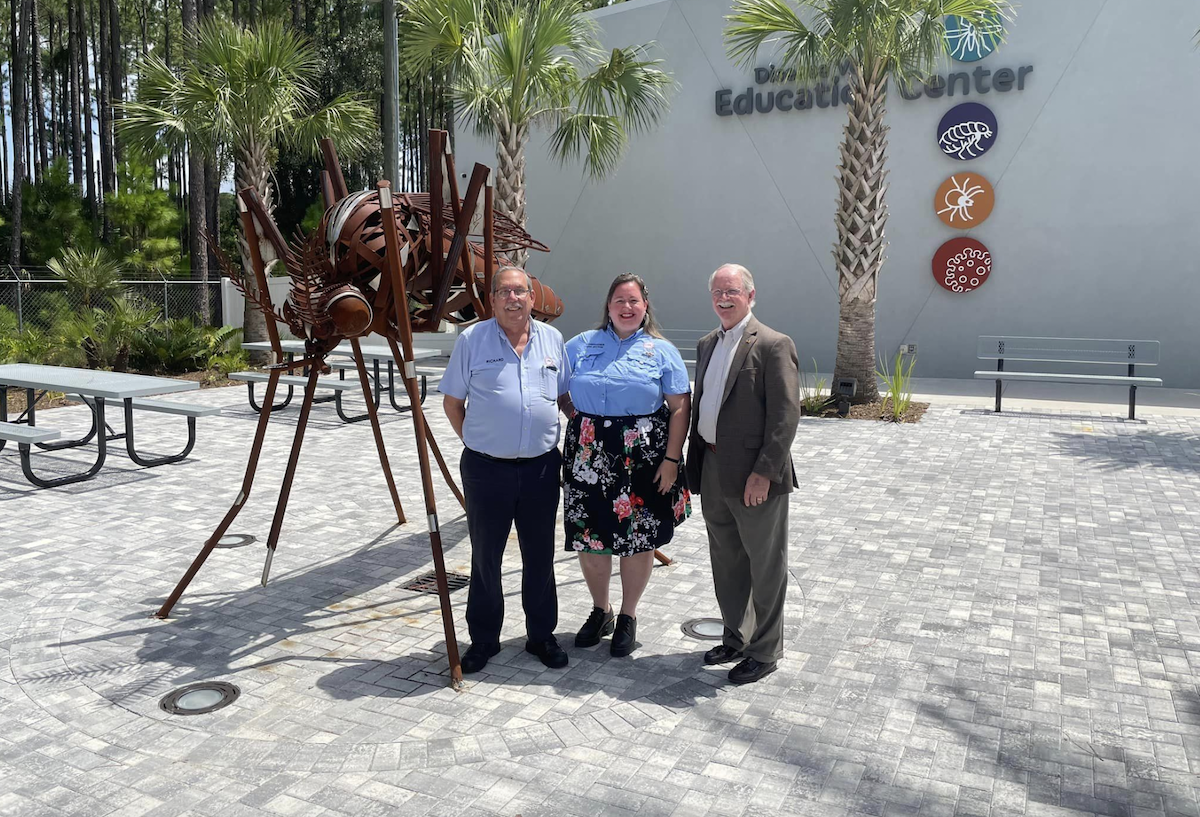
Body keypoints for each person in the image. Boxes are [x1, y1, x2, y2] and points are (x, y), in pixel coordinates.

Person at [441, 267, 572, 673]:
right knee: (486, 556)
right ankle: (483, 640)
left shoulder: (552, 340)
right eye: (504, 292)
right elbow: (452, 403)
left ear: (533, 298)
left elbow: (565, 396)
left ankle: (540, 635)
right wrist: (480, 442)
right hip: (486, 470)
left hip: (541, 469)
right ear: (492, 299)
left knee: (539, 555)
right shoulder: (472, 340)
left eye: (520, 291)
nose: (513, 298)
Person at [561, 273, 691, 657]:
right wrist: (575, 417)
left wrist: (671, 459)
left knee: (639, 538)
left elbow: (680, 406)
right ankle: (601, 611)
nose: (627, 307)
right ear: (608, 305)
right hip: (588, 456)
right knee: (591, 535)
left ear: (645, 307)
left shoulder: (661, 350)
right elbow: (556, 388)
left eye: (634, 301)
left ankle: (628, 615)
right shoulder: (581, 345)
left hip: (644, 458)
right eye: (620, 300)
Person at [684, 263, 799, 685]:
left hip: (755, 476)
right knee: (727, 561)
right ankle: (736, 636)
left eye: (732, 291)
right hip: (712, 466)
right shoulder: (707, 343)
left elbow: (786, 416)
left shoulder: (773, 344)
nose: (723, 298)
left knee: (765, 565)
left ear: (750, 296)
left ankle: (765, 650)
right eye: (717, 292)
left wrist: (764, 473)